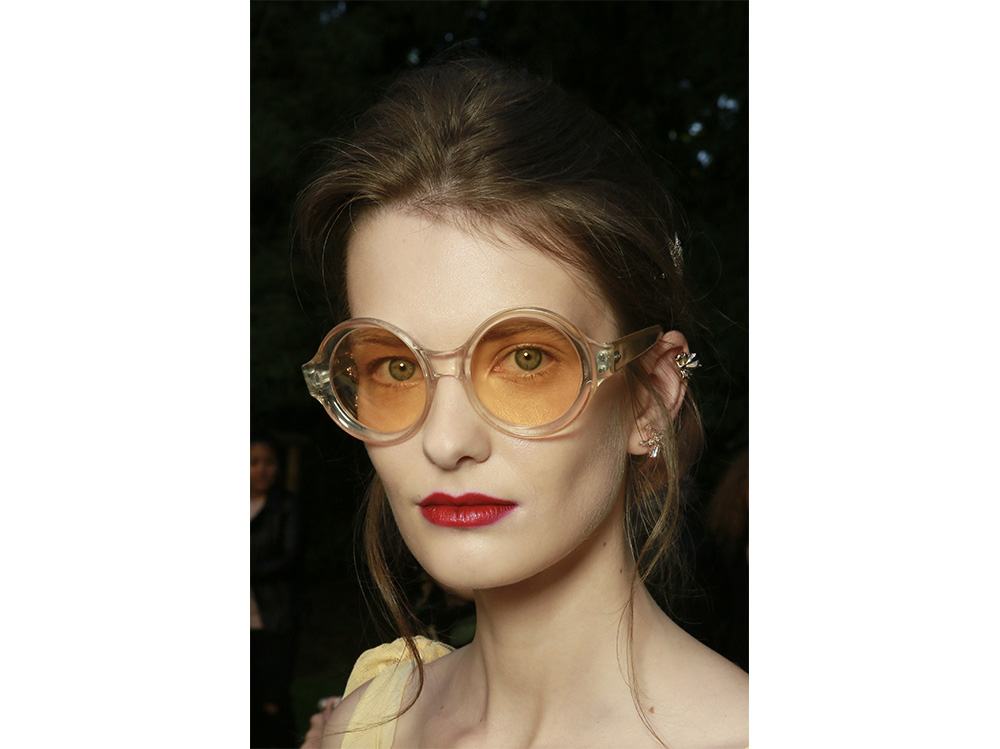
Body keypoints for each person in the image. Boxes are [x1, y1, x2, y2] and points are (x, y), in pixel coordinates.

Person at [296, 56, 748, 748]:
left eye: (526, 359)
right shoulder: (363, 725)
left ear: (650, 397)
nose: (446, 441)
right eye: (396, 366)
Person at [251, 434, 304, 748]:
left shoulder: (285, 506)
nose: (261, 469)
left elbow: (290, 557)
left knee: (273, 701)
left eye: (268, 462)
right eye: (253, 462)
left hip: (274, 617)